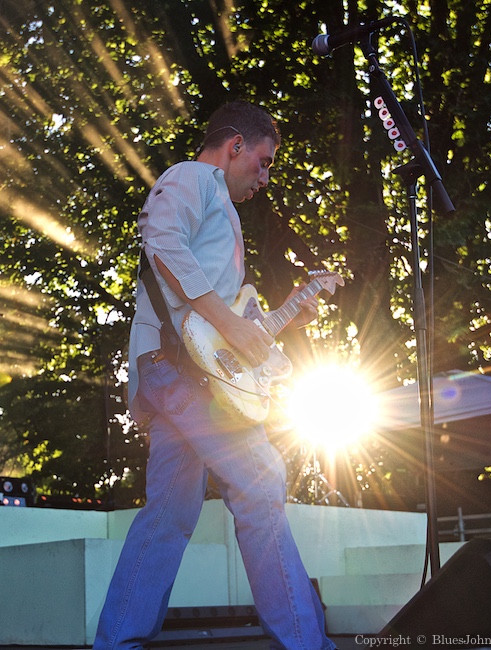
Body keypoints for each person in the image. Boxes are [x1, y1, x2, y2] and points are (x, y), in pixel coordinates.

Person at [93, 100, 335, 650]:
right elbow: (161, 244)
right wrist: (230, 321)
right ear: (235, 147)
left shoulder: (220, 212)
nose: (265, 177)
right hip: (183, 376)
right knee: (261, 483)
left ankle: (116, 643)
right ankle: (308, 644)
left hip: (177, 373)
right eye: (264, 162)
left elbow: (228, 327)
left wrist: (285, 314)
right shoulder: (193, 178)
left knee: (169, 515)